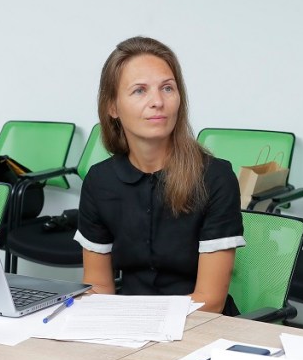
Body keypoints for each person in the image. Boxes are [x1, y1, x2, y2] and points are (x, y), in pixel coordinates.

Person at [74, 36, 245, 314]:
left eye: (167, 88)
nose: (157, 102)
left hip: (199, 324)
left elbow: (210, 301)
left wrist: (139, 323)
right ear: (112, 107)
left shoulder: (215, 178)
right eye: (139, 91)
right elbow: (99, 287)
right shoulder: (99, 181)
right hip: (128, 323)